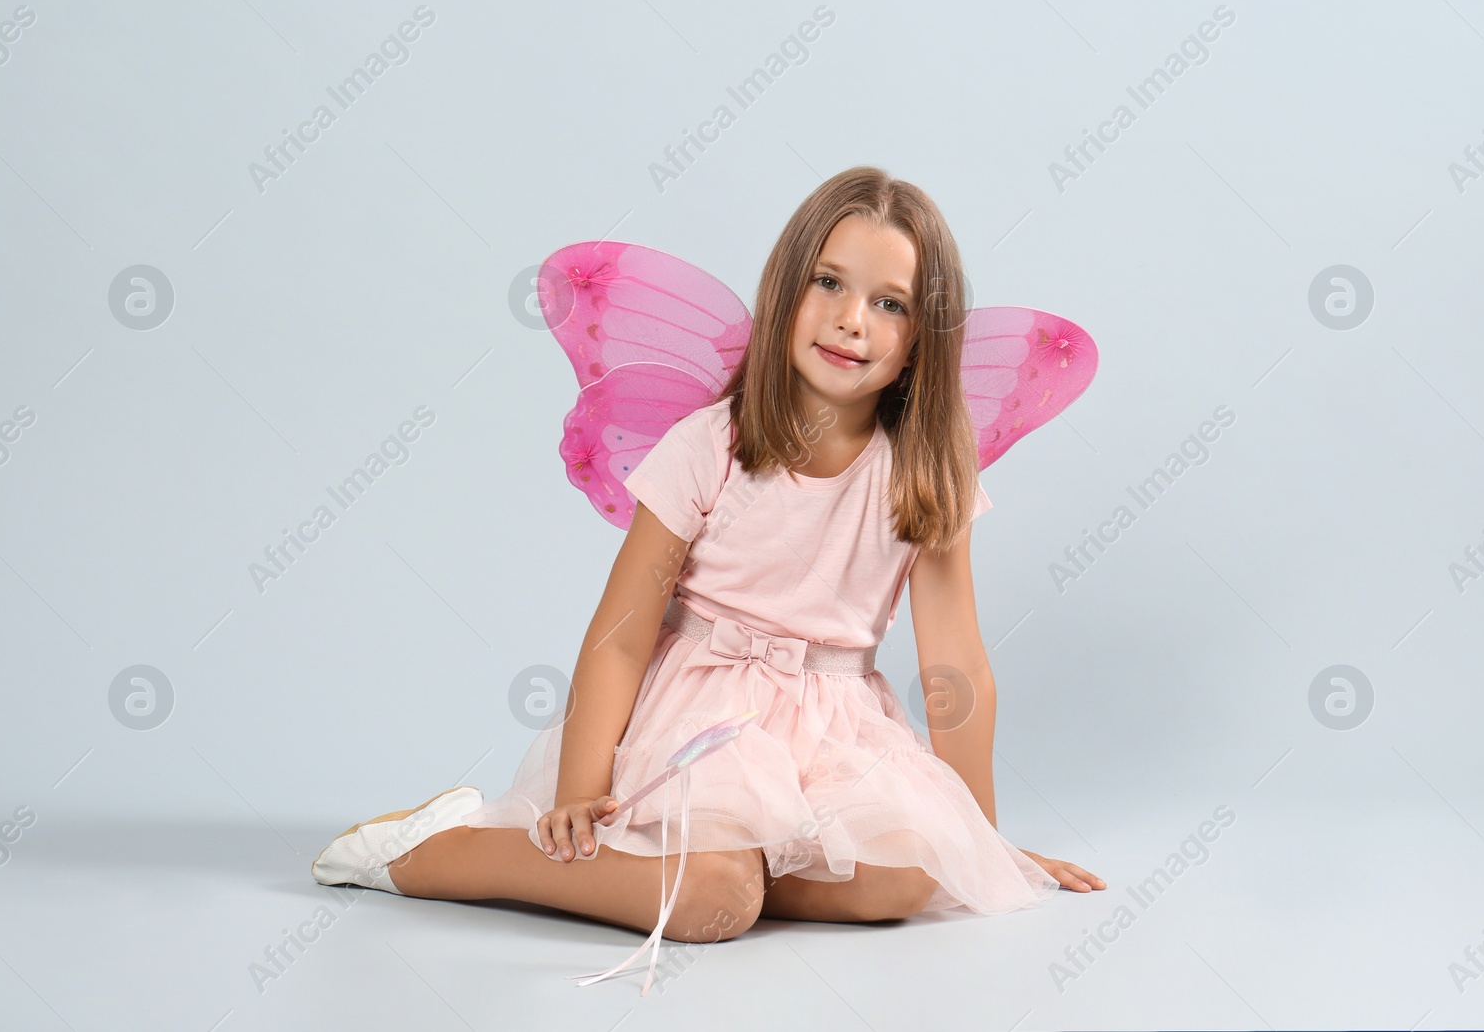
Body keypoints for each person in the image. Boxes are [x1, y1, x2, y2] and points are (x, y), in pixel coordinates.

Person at [312, 165, 1105, 961]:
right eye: (828, 282)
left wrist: (974, 842)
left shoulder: (926, 469)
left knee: (907, 876)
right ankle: (436, 852)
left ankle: (728, 870)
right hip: (700, 720)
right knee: (713, 901)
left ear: (919, 340)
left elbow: (955, 664)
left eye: (888, 302)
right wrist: (579, 797)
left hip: (830, 728)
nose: (849, 320)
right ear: (787, 289)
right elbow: (622, 634)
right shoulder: (714, 443)